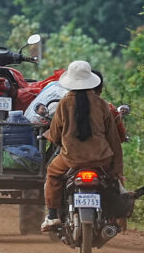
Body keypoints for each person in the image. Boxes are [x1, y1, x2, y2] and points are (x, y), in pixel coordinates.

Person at [41, 60, 123, 232]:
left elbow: (55, 135)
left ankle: (53, 216)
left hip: (71, 159)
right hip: (102, 159)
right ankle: (113, 217)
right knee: (111, 181)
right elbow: (114, 139)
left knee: (53, 173)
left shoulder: (64, 103)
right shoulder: (101, 104)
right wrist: (116, 169)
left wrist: (58, 140)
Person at [91, 70, 129, 142]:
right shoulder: (109, 109)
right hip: (101, 152)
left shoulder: (66, 106)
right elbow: (121, 136)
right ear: (101, 89)